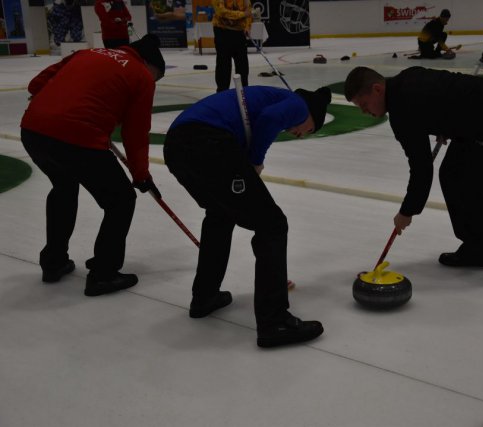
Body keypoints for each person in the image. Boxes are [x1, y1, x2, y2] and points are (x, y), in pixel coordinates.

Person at [344, 66, 483, 282]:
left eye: (364, 105)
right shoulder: (405, 82)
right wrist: (444, 123)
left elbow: (421, 168)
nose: (364, 112)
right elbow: (446, 96)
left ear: (377, 89)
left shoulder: (403, 108)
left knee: (470, 190)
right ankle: (476, 247)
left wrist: (407, 211)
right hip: (481, 119)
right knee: (452, 176)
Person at [163, 85, 331, 347]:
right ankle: (274, 321)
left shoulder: (267, 99)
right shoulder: (298, 104)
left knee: (219, 215)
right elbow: (270, 120)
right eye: (308, 130)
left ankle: (204, 297)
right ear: (312, 115)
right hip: (207, 142)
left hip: (176, 147)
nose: (299, 134)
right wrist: (254, 161)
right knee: (272, 225)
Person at [20, 34, 165, 296]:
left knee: (63, 187)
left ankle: (53, 262)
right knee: (120, 200)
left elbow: (35, 85)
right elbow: (136, 134)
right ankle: (104, 274)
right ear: (150, 66)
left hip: (33, 130)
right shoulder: (142, 76)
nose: (154, 83)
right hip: (77, 137)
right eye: (157, 77)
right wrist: (141, 175)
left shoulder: (87, 53)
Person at [212, 0, 252, 92]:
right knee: (224, 65)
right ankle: (222, 93)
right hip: (223, 31)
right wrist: (242, 14)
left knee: (243, 66)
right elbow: (221, 12)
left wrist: (247, 26)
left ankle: (243, 93)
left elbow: (248, 11)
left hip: (239, 32)